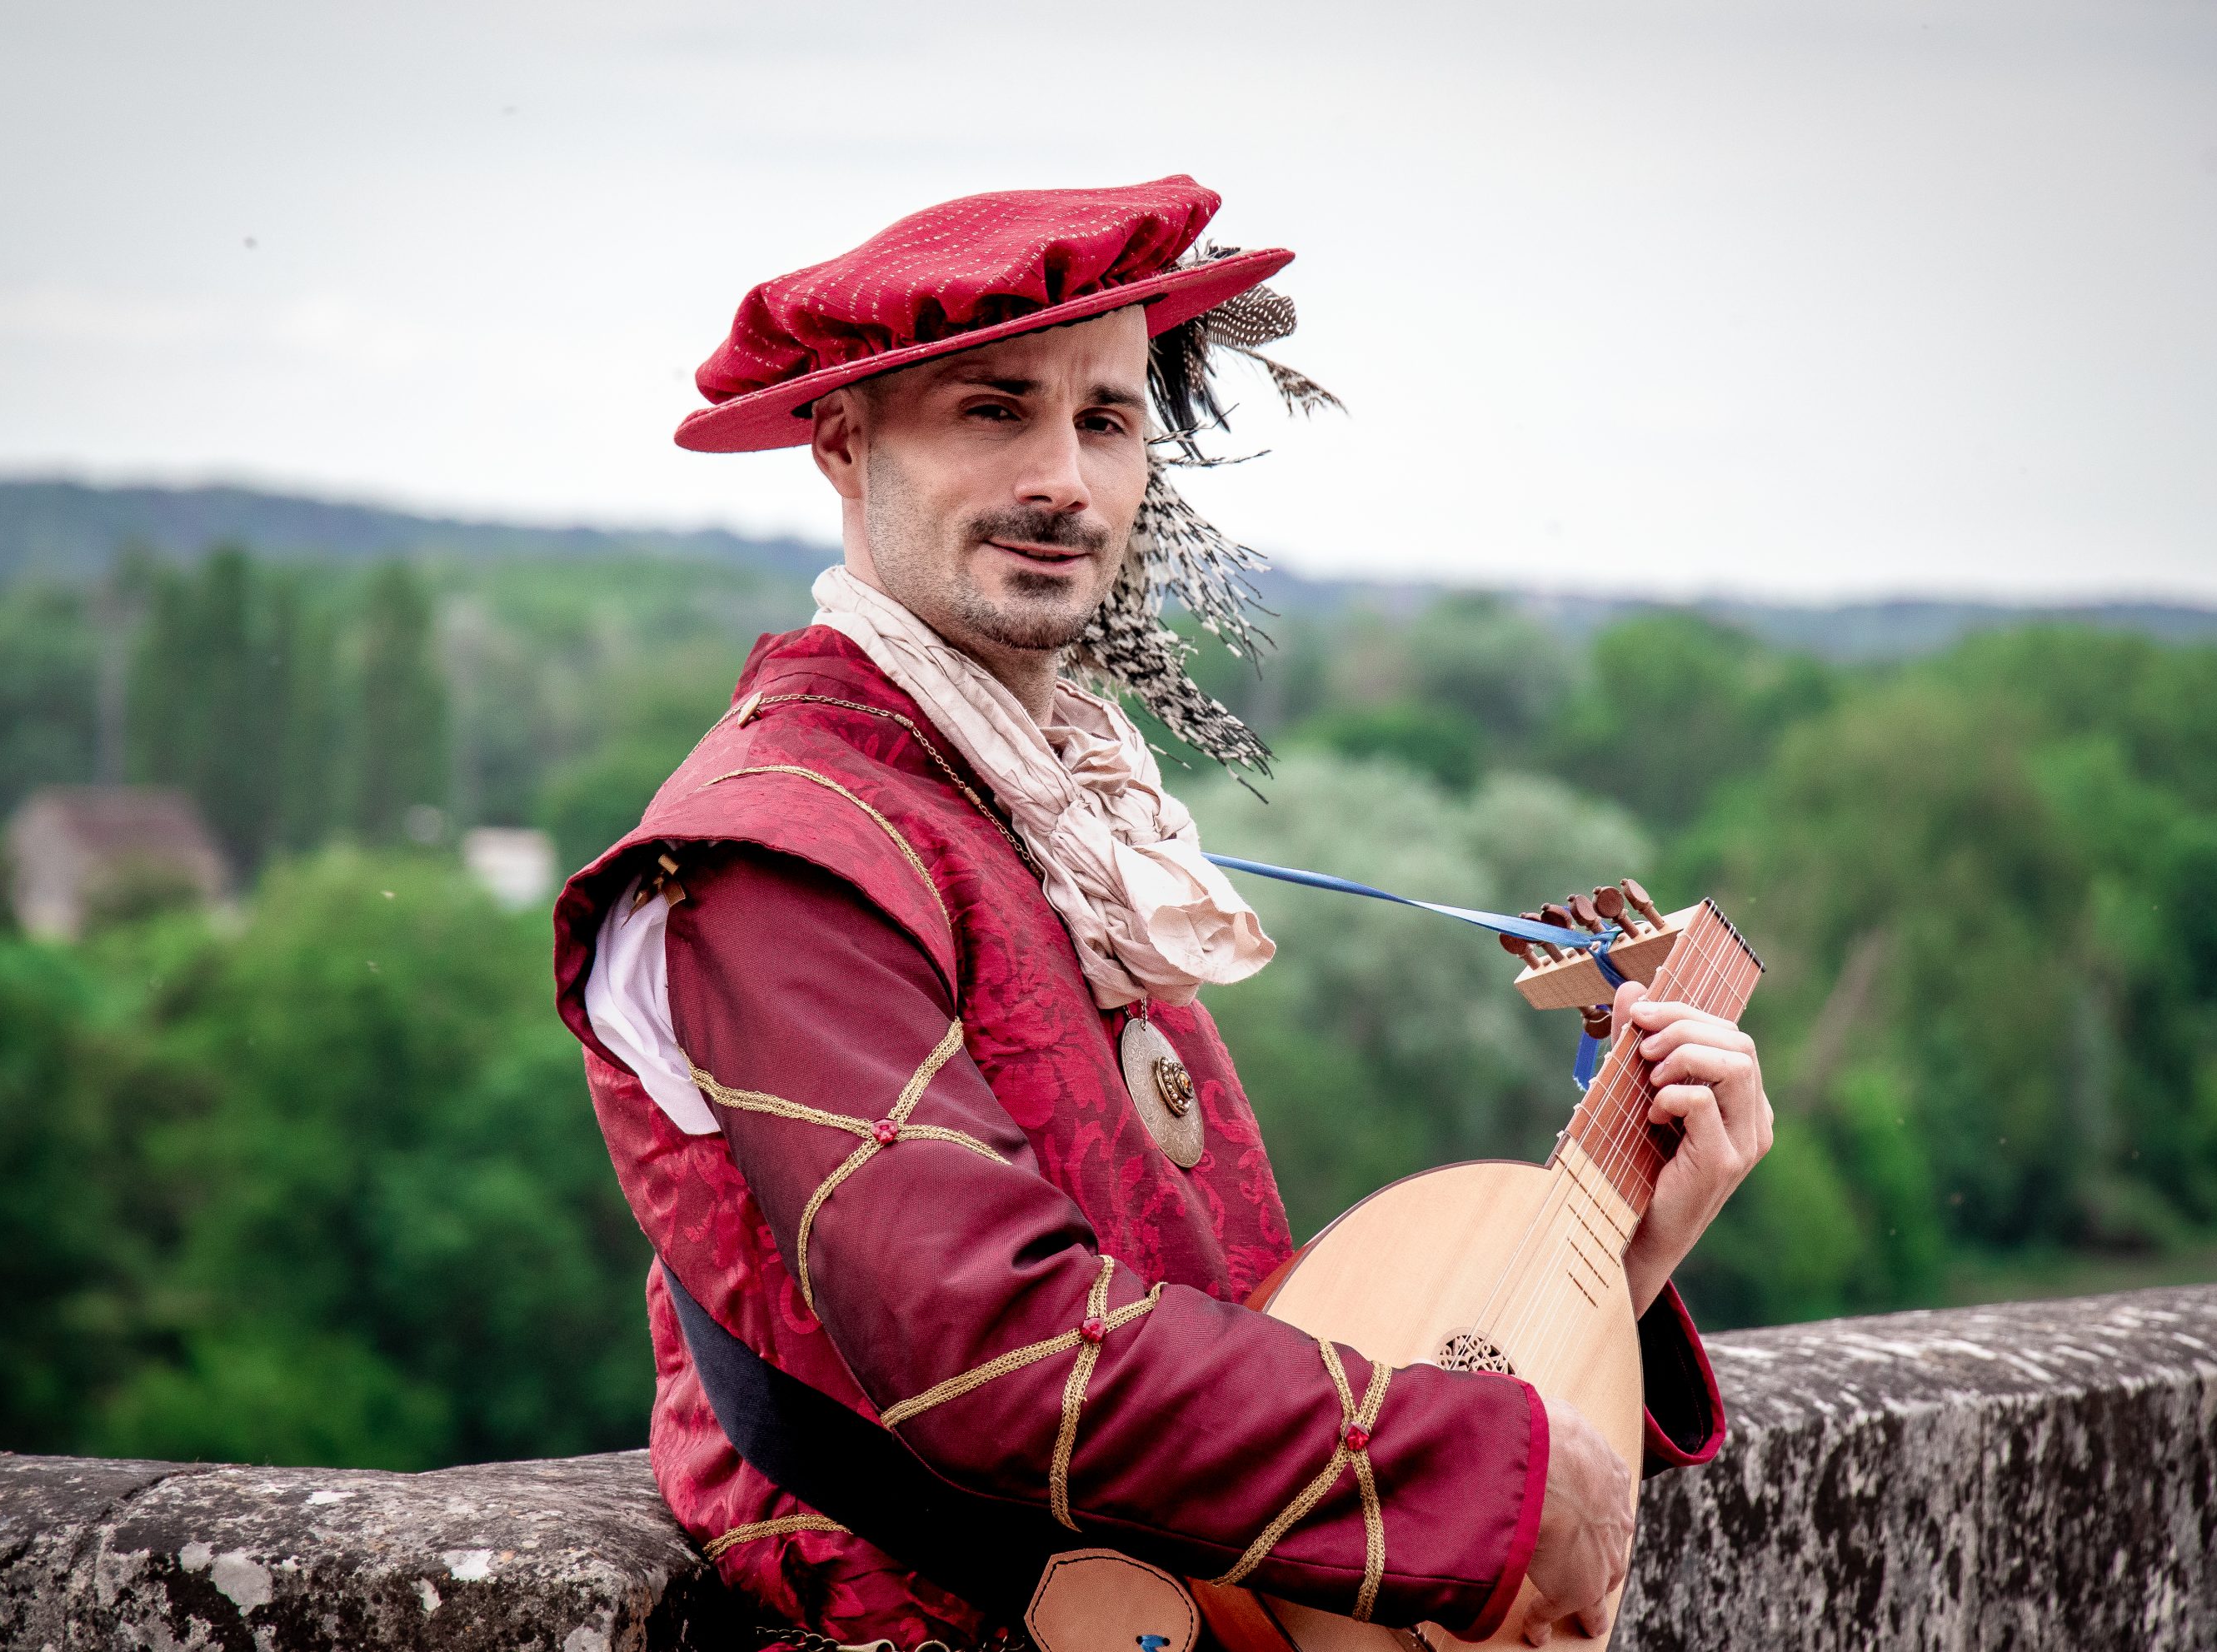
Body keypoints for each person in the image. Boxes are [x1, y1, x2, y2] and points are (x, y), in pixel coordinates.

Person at [552, 176, 1772, 1652]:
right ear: (843, 442)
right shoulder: (778, 850)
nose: (1065, 479)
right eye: (994, 411)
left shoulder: (1055, 807)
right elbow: (993, 1354)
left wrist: (1611, 1268)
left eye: (1107, 419)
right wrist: (1487, 1474)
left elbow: (1214, 1313)